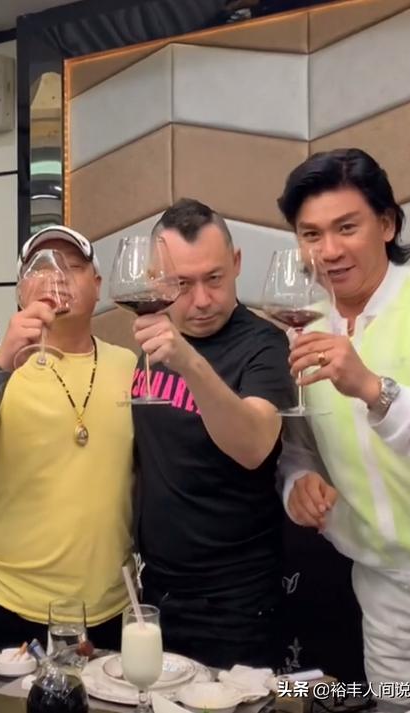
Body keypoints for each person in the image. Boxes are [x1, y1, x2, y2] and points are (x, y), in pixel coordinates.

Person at [0, 225, 136, 650]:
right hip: (9, 603)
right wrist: (6, 360)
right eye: (40, 268)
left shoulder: (129, 366)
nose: (56, 276)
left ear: (97, 285)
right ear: (21, 291)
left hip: (111, 604)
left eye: (72, 266)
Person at [278, 148, 410, 705]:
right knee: (397, 701)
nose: (329, 250)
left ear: (386, 224)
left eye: (346, 227)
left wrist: (372, 388)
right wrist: (297, 482)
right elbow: (300, 445)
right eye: (311, 234)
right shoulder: (303, 330)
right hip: (386, 590)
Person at [131, 198, 293, 667]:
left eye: (215, 279)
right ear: (157, 280)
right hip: (156, 592)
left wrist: (189, 362)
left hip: (235, 603)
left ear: (236, 263)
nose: (202, 300)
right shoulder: (151, 344)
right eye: (182, 284)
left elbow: (254, 445)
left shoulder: (264, 344)